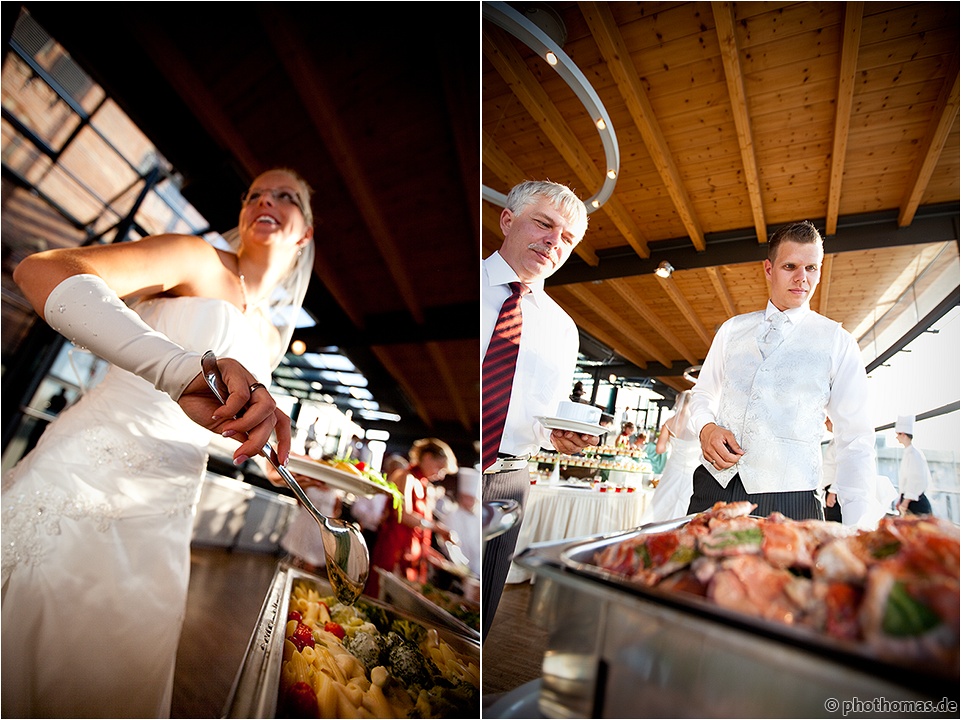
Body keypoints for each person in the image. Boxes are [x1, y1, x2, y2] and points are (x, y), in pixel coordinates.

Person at [2, 167, 313, 718]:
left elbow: (210, 418)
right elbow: (40, 270)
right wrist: (176, 368)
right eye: (255, 194)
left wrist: (264, 452)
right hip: (84, 476)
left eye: (285, 197)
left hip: (165, 516)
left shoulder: (268, 338)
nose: (266, 201)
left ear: (304, 233)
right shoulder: (195, 258)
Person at [688, 220, 881, 528]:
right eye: (790, 266)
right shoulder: (731, 330)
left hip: (793, 500)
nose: (802, 279)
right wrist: (705, 428)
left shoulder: (838, 341)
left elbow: (854, 436)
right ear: (769, 269)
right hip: (714, 488)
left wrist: (859, 525)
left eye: (812, 268)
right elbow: (703, 394)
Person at [481, 180, 599, 643]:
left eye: (567, 238)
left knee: (484, 611)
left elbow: (545, 415)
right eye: (545, 224)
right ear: (507, 220)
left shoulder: (562, 329)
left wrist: (563, 436)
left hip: (509, 481)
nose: (554, 242)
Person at [366, 438, 457, 597]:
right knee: (384, 595)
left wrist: (428, 553)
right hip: (394, 550)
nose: (440, 475)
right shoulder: (406, 476)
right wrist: (437, 528)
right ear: (427, 457)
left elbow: (418, 530)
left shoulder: (424, 485)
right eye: (439, 468)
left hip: (410, 554)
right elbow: (404, 516)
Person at [641, 391, 702, 524]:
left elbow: (659, 449)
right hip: (692, 470)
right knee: (686, 501)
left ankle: (656, 529)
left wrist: (672, 444)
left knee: (664, 499)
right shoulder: (697, 423)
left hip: (674, 467)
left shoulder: (669, 422)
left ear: (677, 401)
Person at [279, 474, 342, 573]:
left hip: (320, 529)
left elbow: (336, 510)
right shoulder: (310, 485)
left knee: (312, 559)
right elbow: (299, 500)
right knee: (296, 556)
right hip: (305, 522)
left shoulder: (336, 493)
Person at [440, 467, 482, 577]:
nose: (469, 502)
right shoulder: (451, 515)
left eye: (472, 498)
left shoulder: (479, 516)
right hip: (458, 568)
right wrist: (462, 564)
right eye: (466, 498)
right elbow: (448, 544)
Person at [894, 414, 933, 515]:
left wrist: (905, 502)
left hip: (916, 504)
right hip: (909, 501)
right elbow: (906, 481)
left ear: (903, 434)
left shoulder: (914, 454)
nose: (896, 437)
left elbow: (915, 480)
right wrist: (900, 500)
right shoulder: (908, 453)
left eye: (898, 434)